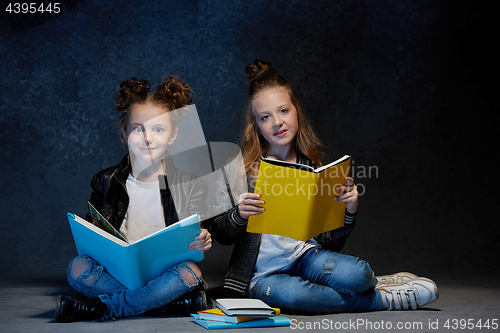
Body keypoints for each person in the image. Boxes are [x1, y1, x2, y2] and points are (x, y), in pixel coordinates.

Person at [208, 60, 438, 314]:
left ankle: (368, 284)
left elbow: (330, 241)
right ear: (257, 127)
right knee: (296, 297)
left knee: (358, 274)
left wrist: (348, 211)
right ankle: (382, 299)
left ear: (297, 112)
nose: (277, 122)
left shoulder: (313, 166)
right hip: (264, 276)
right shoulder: (242, 168)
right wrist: (239, 215)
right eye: (265, 117)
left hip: (307, 257)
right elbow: (221, 233)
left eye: (283, 111)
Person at [56, 76, 212, 322]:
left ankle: (105, 308)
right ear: (125, 133)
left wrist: (203, 238)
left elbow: (197, 232)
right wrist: (94, 231)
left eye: (158, 129)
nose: (147, 137)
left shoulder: (187, 184)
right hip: (118, 273)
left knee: (191, 271)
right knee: (77, 267)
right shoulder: (106, 181)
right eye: (139, 128)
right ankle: (161, 305)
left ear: (172, 136)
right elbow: (93, 230)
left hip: (164, 275)